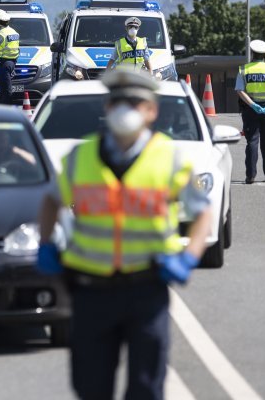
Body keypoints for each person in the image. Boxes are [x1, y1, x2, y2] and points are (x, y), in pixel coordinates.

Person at [36, 69, 212, 400]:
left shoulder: (170, 158)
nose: (124, 109)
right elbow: (50, 200)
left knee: (146, 386)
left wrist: (190, 257)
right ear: (107, 106)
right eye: (117, 101)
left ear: (151, 111)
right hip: (90, 290)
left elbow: (202, 211)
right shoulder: (81, 156)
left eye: (135, 102)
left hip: (147, 288)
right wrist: (46, 246)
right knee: (90, 386)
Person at [236, 39, 265, 183]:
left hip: (250, 110)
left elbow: (239, 90)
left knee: (252, 141)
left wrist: (252, 105)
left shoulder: (244, 69)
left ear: (252, 53)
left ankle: (250, 176)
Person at [0, 9, 20, 104]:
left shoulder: (1, 34)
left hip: (3, 63)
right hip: (12, 62)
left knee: (5, 87)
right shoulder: (14, 32)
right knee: (7, 85)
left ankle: (7, 106)